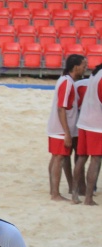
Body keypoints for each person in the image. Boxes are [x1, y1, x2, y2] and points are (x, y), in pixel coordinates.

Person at [46, 55, 87, 201]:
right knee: (59, 158)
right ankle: (55, 193)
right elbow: (61, 109)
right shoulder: (67, 83)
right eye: (83, 65)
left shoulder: (65, 81)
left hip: (57, 127)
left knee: (56, 158)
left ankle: (53, 191)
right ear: (75, 67)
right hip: (60, 128)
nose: (85, 68)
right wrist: (67, 133)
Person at [74, 64, 102, 206]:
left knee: (81, 158)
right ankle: (89, 198)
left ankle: (75, 194)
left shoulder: (95, 73)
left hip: (84, 120)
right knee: (95, 160)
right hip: (97, 125)